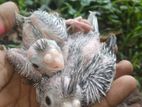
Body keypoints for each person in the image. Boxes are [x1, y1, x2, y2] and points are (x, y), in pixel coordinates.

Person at [0, 1, 137, 107]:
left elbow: (13, 54)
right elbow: (106, 58)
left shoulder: (38, 77)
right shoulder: (89, 90)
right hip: (81, 42)